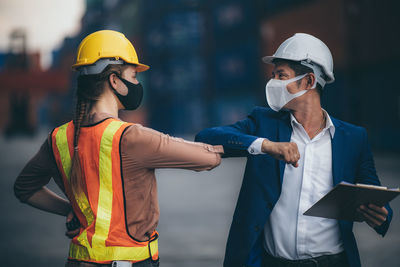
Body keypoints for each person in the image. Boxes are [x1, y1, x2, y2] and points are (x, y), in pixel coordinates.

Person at [14, 30, 223, 267]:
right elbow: (209, 160)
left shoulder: (58, 138)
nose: (136, 84)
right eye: (133, 76)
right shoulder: (131, 137)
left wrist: (72, 210)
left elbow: (24, 189)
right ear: (114, 80)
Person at [195, 33, 393, 267]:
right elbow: (206, 138)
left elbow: (374, 191)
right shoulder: (263, 123)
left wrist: (382, 215)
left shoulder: (353, 138)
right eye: (273, 76)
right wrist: (265, 145)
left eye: (281, 76)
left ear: (309, 81)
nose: (273, 83)